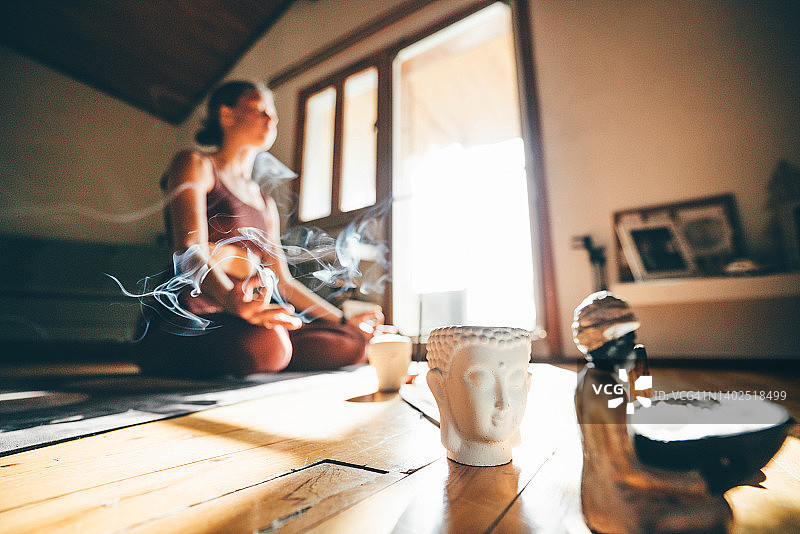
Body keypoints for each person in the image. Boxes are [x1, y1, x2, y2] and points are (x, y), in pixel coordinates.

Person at [134, 80, 384, 377]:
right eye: (259, 109)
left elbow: (283, 281)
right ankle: (259, 350)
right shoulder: (194, 164)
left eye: (273, 112)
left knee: (353, 343)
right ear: (226, 115)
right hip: (194, 315)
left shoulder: (264, 203)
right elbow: (190, 250)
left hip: (249, 315)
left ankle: (266, 351)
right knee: (272, 343)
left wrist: (344, 321)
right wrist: (230, 298)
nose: (272, 118)